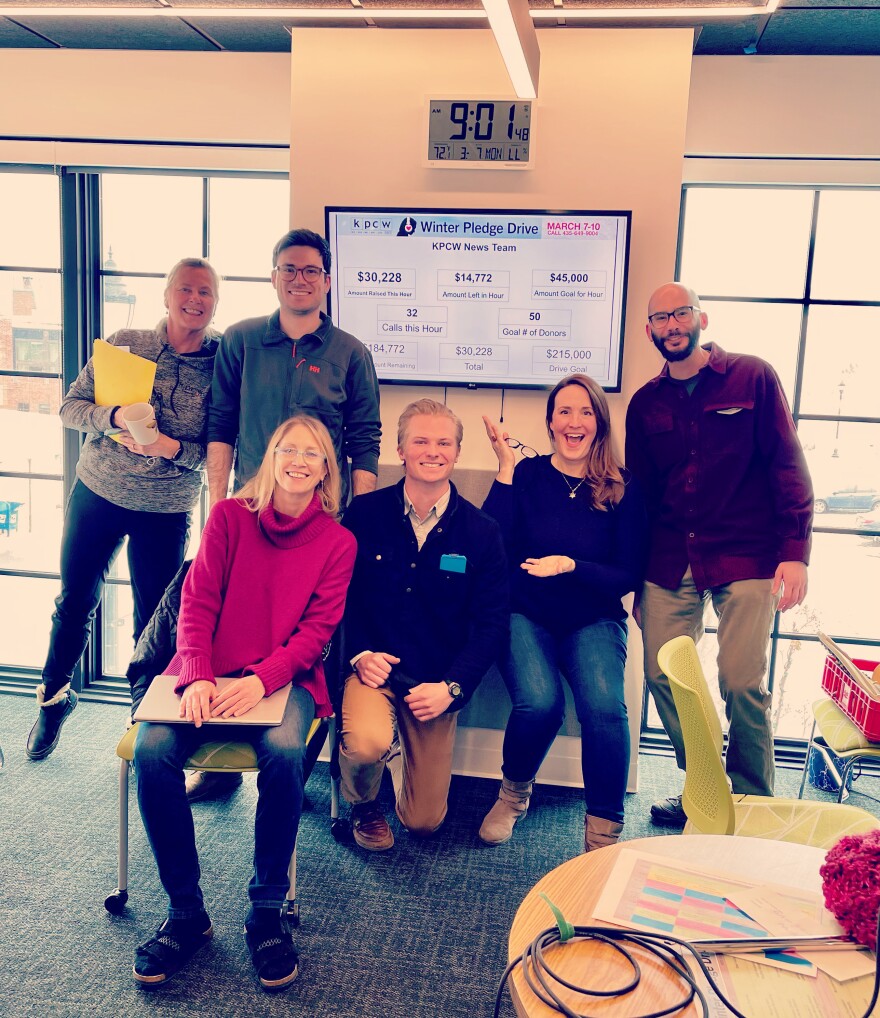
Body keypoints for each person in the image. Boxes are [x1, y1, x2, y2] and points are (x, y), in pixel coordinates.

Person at [131, 415, 356, 991]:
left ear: (327, 468)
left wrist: (261, 679)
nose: (299, 460)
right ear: (270, 456)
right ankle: (186, 914)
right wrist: (200, 674)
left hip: (286, 680)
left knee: (284, 751)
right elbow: (197, 600)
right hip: (207, 672)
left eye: (313, 453)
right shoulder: (231, 516)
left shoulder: (338, 541)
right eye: (288, 448)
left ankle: (266, 910)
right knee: (153, 750)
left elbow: (317, 632)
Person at [626, 282, 813, 827]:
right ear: (650, 330)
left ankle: (753, 799)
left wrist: (795, 551)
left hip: (747, 554)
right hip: (667, 559)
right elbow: (639, 495)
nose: (673, 324)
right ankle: (704, 788)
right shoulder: (645, 403)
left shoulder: (753, 375)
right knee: (665, 675)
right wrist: (635, 580)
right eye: (661, 317)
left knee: (739, 679)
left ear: (701, 319)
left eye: (681, 313)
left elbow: (787, 463)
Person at [26, 258, 221, 762]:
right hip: (99, 492)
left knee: (152, 620)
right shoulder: (126, 341)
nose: (194, 299)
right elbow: (71, 408)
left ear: (215, 302)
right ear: (166, 294)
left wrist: (168, 448)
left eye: (205, 292)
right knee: (75, 601)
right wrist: (112, 417)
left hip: (166, 507)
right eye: (185, 288)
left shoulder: (222, 365)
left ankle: (145, 726)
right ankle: (53, 698)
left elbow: (219, 450)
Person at [479, 374, 647, 853]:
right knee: (540, 703)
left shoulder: (623, 487)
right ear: (551, 422)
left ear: (599, 421)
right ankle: (512, 796)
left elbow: (627, 574)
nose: (575, 422)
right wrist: (506, 468)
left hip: (592, 617)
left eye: (585, 412)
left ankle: (603, 835)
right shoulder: (529, 474)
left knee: (605, 711)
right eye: (564, 412)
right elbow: (492, 541)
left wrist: (572, 565)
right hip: (524, 612)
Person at [339, 399, 508, 851]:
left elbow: (491, 625)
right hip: (372, 671)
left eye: (443, 443)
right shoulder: (364, 515)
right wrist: (358, 653)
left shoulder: (481, 532)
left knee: (423, 822)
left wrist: (452, 687)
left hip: (434, 684)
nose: (432, 451)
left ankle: (398, 753)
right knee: (366, 743)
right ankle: (362, 802)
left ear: (456, 453)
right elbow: (341, 597)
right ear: (400, 448)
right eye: (420, 441)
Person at [206, 227, 381, 510]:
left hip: (322, 511)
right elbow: (220, 426)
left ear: (327, 282)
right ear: (274, 278)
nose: (299, 279)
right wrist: (217, 509)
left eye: (311, 271)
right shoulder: (240, 339)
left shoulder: (352, 353)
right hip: (251, 505)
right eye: (289, 269)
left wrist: (360, 518)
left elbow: (364, 442)